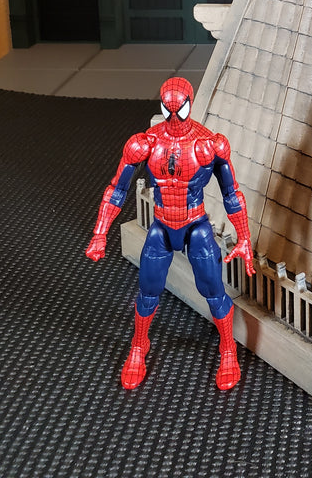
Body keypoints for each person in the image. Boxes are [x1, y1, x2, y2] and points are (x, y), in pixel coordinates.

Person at [86, 76, 255, 390]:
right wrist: (100, 232)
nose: (175, 117)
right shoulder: (145, 143)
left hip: (196, 225)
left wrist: (244, 237)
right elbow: (117, 189)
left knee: (213, 290)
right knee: (148, 290)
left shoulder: (209, 145)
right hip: (162, 225)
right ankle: (139, 345)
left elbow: (232, 194)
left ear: (190, 104)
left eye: (180, 109)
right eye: (169, 109)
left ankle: (228, 348)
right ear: (162, 106)